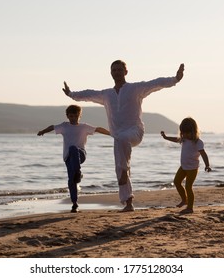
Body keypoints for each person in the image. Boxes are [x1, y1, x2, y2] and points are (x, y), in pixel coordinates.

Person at [63, 60, 184, 212]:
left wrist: (175, 79)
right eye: (114, 70)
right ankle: (128, 202)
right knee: (119, 164)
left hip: (135, 131)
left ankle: (125, 171)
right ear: (111, 73)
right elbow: (89, 94)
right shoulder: (107, 94)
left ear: (126, 72)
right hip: (119, 137)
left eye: (120, 69)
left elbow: (155, 84)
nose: (117, 72)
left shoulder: (135, 89)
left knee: (122, 156)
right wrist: (71, 94)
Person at [37, 105, 110, 213]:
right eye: (71, 116)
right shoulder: (64, 126)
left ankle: (78, 172)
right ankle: (74, 204)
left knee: (73, 148)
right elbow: (52, 127)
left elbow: (98, 129)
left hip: (81, 154)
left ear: (79, 115)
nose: (73, 118)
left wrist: (111, 133)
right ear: (67, 116)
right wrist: (43, 131)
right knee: (72, 180)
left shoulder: (83, 127)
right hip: (68, 157)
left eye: (75, 116)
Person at [160, 117, 211, 214]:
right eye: (183, 133)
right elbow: (176, 139)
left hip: (192, 168)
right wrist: (166, 137)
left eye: (188, 133)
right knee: (176, 182)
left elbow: (203, 154)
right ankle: (184, 200)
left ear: (194, 131)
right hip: (183, 166)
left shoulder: (198, 142)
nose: (186, 135)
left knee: (188, 187)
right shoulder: (184, 140)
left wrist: (207, 165)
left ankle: (190, 208)